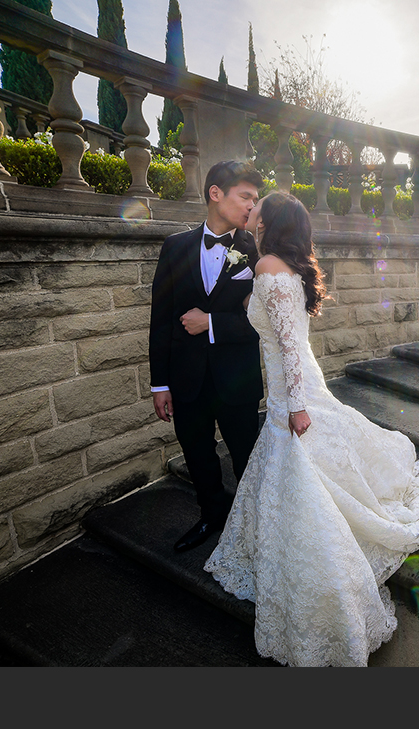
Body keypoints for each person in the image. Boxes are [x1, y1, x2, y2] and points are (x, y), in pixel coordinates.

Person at [203, 191, 419, 667]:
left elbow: (290, 344)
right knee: (296, 465)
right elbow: (287, 336)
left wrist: (293, 405)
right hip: (292, 383)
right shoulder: (274, 263)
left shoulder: (270, 266)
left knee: (300, 465)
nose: (251, 211)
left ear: (271, 221)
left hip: (292, 391)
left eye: (258, 208)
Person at [149, 161, 266, 553]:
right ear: (216, 193)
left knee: (247, 456)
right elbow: (161, 319)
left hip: (237, 378)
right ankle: (212, 515)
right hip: (186, 378)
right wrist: (160, 383)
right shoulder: (175, 246)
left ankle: (254, 526)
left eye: (255, 198)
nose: (252, 206)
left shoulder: (259, 253)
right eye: (245, 196)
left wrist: (212, 323)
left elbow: (267, 322)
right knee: (197, 453)